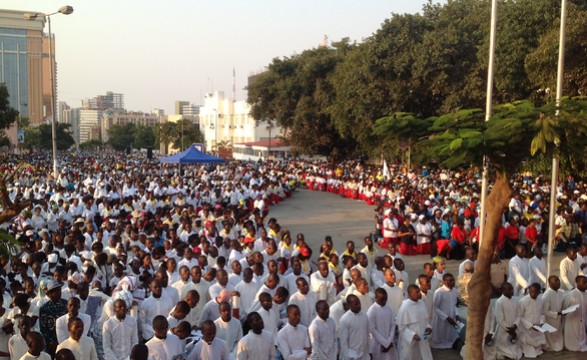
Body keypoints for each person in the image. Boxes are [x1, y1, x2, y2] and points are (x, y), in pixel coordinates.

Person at [395, 284, 432, 360]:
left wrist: (428, 327)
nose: (419, 294)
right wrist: (412, 335)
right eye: (416, 292)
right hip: (410, 340)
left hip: (422, 337)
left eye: (419, 291)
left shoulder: (422, 303)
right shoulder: (405, 306)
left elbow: (425, 319)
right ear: (410, 294)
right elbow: (401, 327)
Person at [430, 273, 461, 350]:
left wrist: (457, 314)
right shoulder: (439, 292)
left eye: (453, 280)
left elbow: (454, 305)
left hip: (452, 317)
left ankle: (453, 342)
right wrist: (446, 317)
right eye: (450, 281)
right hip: (441, 319)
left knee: (450, 334)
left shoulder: (455, 291)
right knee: (440, 336)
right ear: (444, 281)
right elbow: (435, 308)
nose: (453, 282)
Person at [367, 288, 397, 360]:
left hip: (390, 343)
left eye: (385, 299)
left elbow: (393, 324)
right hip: (378, 345)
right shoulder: (372, 311)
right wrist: (385, 343)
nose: (384, 301)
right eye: (382, 299)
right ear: (376, 297)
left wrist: (390, 340)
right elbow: (372, 330)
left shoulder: (388, 308)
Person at [494, 282, 522, 360]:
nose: (512, 291)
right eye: (509, 290)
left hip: (515, 329)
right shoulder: (499, 302)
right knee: (506, 353)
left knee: (516, 352)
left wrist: (515, 326)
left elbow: (519, 315)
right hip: (504, 331)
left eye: (512, 289)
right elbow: (500, 320)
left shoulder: (516, 300)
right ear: (503, 291)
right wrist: (510, 330)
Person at [39, 280, 67, 355]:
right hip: (51, 344)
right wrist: (51, 341)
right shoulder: (44, 308)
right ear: (50, 294)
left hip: (66, 340)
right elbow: (43, 328)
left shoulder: (66, 304)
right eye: (56, 291)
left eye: (60, 290)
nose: (59, 293)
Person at [518, 283, 546, 358]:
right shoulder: (523, 301)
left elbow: (541, 313)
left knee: (538, 350)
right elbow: (519, 317)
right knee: (531, 353)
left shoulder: (540, 300)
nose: (533, 294)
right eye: (531, 292)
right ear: (529, 291)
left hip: (537, 328)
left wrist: (542, 323)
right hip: (526, 329)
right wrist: (531, 326)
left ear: (539, 292)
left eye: (536, 292)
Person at [339, 294, 369, 360]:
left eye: (359, 303)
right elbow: (343, 342)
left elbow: (367, 335)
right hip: (352, 355)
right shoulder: (344, 319)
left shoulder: (365, 316)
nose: (359, 306)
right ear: (349, 305)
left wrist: (369, 352)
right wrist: (349, 356)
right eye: (356, 304)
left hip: (364, 355)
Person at [562, 275, 587, 352]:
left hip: (582, 319)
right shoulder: (570, 295)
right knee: (572, 338)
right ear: (577, 283)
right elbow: (564, 309)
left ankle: (582, 344)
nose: (586, 284)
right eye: (584, 282)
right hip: (572, 321)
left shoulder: (586, 294)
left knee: (582, 334)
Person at [541, 276, 564, 352]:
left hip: (558, 319)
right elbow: (544, 312)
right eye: (556, 281)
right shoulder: (546, 295)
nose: (558, 282)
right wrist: (557, 313)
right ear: (550, 283)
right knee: (551, 338)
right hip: (549, 320)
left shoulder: (561, 293)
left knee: (559, 340)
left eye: (559, 280)